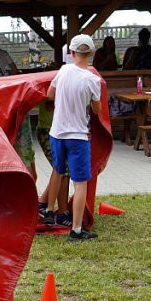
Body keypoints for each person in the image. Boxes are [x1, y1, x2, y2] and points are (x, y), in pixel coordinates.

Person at [45, 34, 103, 241]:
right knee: (80, 183)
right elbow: (97, 110)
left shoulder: (63, 70)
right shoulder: (93, 79)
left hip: (56, 133)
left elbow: (50, 95)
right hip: (78, 137)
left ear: (72, 53)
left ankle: (49, 212)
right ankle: (77, 229)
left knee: (58, 171)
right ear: (91, 54)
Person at [35, 99, 71, 227]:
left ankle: (42, 203)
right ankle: (62, 213)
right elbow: (49, 105)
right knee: (63, 170)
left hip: (61, 132)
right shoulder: (50, 83)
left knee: (60, 171)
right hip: (48, 131)